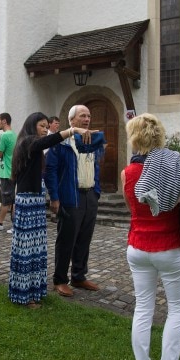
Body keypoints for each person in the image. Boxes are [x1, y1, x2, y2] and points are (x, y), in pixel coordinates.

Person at [122, 113, 180, 360]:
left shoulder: (128, 172)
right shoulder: (173, 166)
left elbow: (133, 207)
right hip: (168, 247)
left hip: (138, 246)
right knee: (178, 310)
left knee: (143, 307)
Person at [8, 113, 91, 309]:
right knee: (27, 250)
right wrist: (72, 131)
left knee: (36, 249)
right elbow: (49, 140)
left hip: (35, 201)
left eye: (47, 126)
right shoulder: (28, 142)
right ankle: (24, 295)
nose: (46, 129)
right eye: (42, 126)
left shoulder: (31, 145)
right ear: (32, 126)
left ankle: (34, 291)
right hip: (28, 203)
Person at [45, 105, 106, 297]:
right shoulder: (61, 143)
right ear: (72, 121)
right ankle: (60, 280)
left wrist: (96, 191)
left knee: (84, 238)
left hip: (89, 195)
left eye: (89, 115)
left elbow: (95, 165)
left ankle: (79, 276)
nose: (87, 119)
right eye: (82, 116)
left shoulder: (92, 141)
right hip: (70, 196)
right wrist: (54, 197)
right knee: (66, 239)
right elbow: (50, 171)